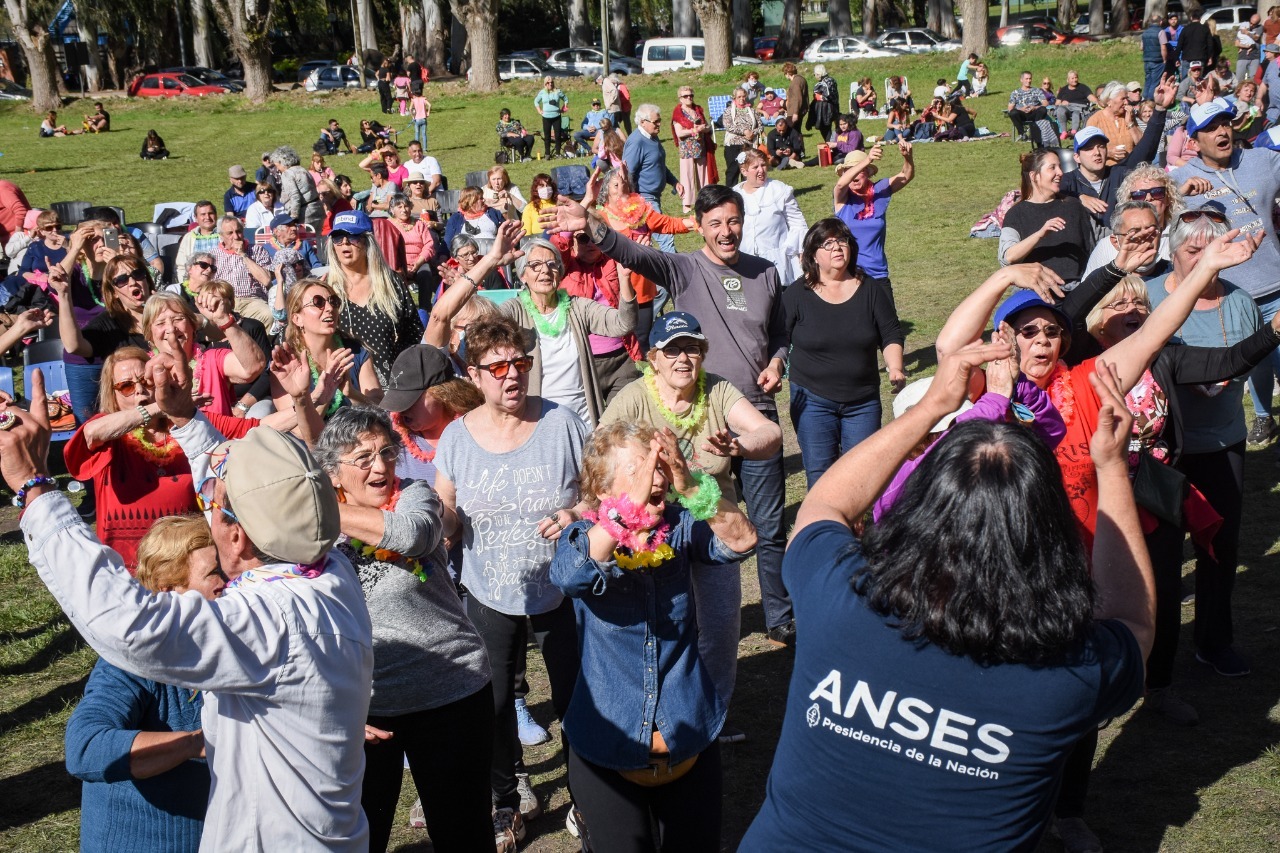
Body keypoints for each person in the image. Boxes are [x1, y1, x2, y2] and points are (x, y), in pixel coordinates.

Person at [737, 316, 1152, 851]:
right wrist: (1112, 468)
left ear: (922, 506)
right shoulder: (1066, 674)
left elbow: (824, 505)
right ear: (1047, 531)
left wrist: (933, 405)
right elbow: (1134, 622)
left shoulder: (840, 598)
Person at [9, 347, 374, 849]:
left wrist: (35, 488)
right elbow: (244, 487)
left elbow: (126, 621)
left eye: (215, 507)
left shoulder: (269, 622)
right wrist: (186, 419)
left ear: (238, 538)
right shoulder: (329, 570)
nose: (209, 508)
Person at [546, 184, 794, 647]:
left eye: (733, 221)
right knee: (698, 519)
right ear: (698, 226)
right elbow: (630, 251)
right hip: (698, 408)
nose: (726, 231)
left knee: (766, 522)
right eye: (715, 223)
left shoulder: (765, 272)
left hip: (748, 409)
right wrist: (593, 222)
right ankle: (687, 617)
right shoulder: (682, 267)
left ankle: (778, 614)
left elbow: (779, 331)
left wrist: (778, 361)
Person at [552, 419, 756, 852]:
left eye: (658, 465)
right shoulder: (580, 536)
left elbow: (743, 541)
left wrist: (693, 486)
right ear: (603, 489)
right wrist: (627, 514)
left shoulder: (681, 526)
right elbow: (570, 577)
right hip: (606, 746)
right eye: (639, 469)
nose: (655, 477)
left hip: (689, 741)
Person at [433, 315, 589, 846]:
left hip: (561, 587)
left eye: (520, 363)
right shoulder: (456, 436)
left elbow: (599, 492)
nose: (511, 375)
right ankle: (507, 798)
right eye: (497, 367)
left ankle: (586, 797)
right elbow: (448, 509)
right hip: (488, 589)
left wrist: (574, 516)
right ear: (474, 375)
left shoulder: (562, 423)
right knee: (494, 705)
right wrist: (441, 523)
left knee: (575, 699)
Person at [313, 407, 494, 853]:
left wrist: (322, 512)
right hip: (367, 709)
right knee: (361, 835)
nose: (381, 467)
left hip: (451, 690)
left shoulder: (415, 495)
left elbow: (412, 535)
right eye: (363, 457)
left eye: (387, 453)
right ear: (333, 472)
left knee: (462, 833)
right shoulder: (313, 533)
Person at [599, 312, 780, 714]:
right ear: (654, 358)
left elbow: (769, 433)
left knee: (718, 627)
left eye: (693, 348)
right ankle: (661, 713)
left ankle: (713, 713)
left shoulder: (717, 391)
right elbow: (600, 453)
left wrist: (741, 447)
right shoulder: (633, 398)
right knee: (661, 625)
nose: (683, 358)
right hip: (653, 530)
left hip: (713, 523)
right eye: (673, 349)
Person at [1147, 212, 1263, 678]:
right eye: (1191, 251)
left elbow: (1249, 357)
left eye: (1208, 251)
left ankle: (1214, 641)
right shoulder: (1151, 297)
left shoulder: (1240, 303)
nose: (1201, 261)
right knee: (1162, 556)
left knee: (1220, 547)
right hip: (1163, 449)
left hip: (1223, 441)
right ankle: (1154, 657)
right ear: (1172, 252)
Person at [64, 516, 222, 853]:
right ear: (169, 590)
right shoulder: (127, 663)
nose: (230, 582)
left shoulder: (233, 643)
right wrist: (198, 743)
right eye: (214, 573)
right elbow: (85, 747)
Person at [61, 345, 254, 568]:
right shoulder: (108, 431)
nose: (140, 390)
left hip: (187, 562)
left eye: (147, 381)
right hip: (126, 567)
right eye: (126, 386)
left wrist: (300, 400)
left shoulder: (188, 422)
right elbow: (91, 434)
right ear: (113, 396)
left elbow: (262, 428)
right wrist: (158, 407)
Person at [1171, 100, 1280, 449]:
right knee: (1254, 363)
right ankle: (1263, 416)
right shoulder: (1181, 179)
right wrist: (1177, 198)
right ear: (1194, 140)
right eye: (1210, 128)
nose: (1221, 132)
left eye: (1225, 124)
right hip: (1230, 294)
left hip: (1276, 282)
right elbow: (1146, 215)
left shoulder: (1261, 161)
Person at [786, 217, 905, 489]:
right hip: (812, 399)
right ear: (813, 255)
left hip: (862, 401)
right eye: (827, 243)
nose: (837, 247)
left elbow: (890, 332)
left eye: (842, 241)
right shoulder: (797, 294)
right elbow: (779, 337)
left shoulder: (871, 290)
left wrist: (895, 366)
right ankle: (822, 530)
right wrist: (772, 366)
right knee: (821, 477)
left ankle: (858, 531)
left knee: (863, 476)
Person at [499, 233, 635, 426]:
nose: (545, 270)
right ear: (523, 275)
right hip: (538, 423)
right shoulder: (514, 311)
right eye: (535, 265)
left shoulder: (577, 307)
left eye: (552, 264)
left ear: (559, 272)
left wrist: (624, 279)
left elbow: (624, 323)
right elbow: (481, 329)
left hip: (583, 421)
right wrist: (488, 265)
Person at [592, 167, 694, 347]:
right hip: (613, 290)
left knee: (642, 342)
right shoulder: (600, 217)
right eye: (615, 185)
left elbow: (668, 223)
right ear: (606, 189)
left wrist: (698, 222)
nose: (620, 189)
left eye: (624, 184)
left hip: (642, 290)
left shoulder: (640, 210)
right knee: (619, 343)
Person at [1058, 75, 1176, 224]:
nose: (1097, 152)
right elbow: (1045, 194)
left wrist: (1159, 109)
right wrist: (1078, 198)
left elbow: (1146, 148)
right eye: (1089, 148)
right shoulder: (1068, 181)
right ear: (1076, 157)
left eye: (1101, 146)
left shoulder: (1118, 175)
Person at [326, 210, 425, 384]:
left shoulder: (391, 282)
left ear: (367, 241)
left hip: (394, 385)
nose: (344, 243)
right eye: (338, 237)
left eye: (352, 236)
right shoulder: (326, 288)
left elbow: (414, 334)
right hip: (347, 388)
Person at [271, 278, 380, 421]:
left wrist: (352, 393)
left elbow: (380, 410)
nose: (330, 308)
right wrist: (326, 392)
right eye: (318, 302)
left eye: (333, 301)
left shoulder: (355, 351)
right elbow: (299, 431)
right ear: (297, 319)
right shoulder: (286, 363)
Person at [833, 141, 916, 303]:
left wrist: (908, 158)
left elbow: (906, 176)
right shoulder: (842, 198)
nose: (854, 176)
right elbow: (841, 183)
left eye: (860, 171)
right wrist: (866, 160)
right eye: (849, 171)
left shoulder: (879, 191)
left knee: (889, 324)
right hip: (850, 274)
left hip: (878, 272)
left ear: (869, 173)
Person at [999, 149, 1096, 288]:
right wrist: (1040, 234)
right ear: (1034, 176)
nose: (1060, 173)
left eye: (1060, 167)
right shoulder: (1016, 214)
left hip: (1076, 289)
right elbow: (1008, 257)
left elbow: (1093, 244)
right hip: (1035, 292)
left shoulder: (1072, 205)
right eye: (1052, 168)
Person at [52, 255, 150, 362]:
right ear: (114, 292)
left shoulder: (165, 309)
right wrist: (64, 294)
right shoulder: (108, 322)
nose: (132, 282)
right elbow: (73, 346)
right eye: (122, 280)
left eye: (138, 274)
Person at [735, 149, 807, 285]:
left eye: (763, 165)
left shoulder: (779, 190)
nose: (761, 170)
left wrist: (801, 248)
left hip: (776, 257)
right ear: (744, 171)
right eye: (755, 167)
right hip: (745, 256)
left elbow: (797, 222)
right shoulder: (735, 194)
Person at [623, 102, 684, 254]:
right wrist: (632, 199)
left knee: (647, 239)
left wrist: (674, 181)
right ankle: (673, 270)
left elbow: (658, 164)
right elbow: (626, 172)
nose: (659, 124)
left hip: (653, 196)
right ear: (642, 122)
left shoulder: (653, 138)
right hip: (644, 197)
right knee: (664, 234)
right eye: (655, 121)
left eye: (659, 120)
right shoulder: (636, 142)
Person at [211, 214, 273, 326]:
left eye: (238, 231)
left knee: (268, 315)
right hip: (224, 302)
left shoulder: (257, 250)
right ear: (221, 236)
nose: (236, 236)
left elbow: (266, 280)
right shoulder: (213, 255)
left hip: (252, 301)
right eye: (230, 233)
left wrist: (243, 255)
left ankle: (259, 344)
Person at [671, 86, 713, 215]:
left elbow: (706, 126)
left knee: (703, 174)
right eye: (685, 96)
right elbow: (679, 133)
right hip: (687, 147)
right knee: (687, 175)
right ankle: (687, 203)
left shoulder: (697, 110)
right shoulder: (678, 113)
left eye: (691, 95)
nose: (689, 98)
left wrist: (704, 128)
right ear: (680, 98)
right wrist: (694, 130)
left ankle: (704, 199)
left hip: (700, 145)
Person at [1086, 81, 1144, 166]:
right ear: (1109, 101)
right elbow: (1087, 150)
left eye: (1126, 98)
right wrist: (1109, 153)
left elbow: (1142, 144)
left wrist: (1130, 123)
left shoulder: (1128, 116)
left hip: (1130, 169)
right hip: (1106, 171)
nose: (1126, 102)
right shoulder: (1095, 120)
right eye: (1122, 99)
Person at [273, 146, 324, 233]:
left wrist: (293, 218)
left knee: (306, 241)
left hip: (305, 214)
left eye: (277, 165)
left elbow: (295, 197)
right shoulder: (303, 170)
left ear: (282, 162)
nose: (277, 169)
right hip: (317, 209)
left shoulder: (287, 174)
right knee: (317, 241)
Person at [174, 201, 220, 283]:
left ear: (216, 215)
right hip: (195, 285)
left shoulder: (225, 234)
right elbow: (181, 266)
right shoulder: (188, 238)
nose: (207, 217)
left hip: (220, 283)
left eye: (211, 213)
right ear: (196, 218)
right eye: (203, 214)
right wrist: (186, 285)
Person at [1008, 71, 1054, 147]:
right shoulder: (1015, 93)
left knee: (1043, 109)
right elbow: (1010, 108)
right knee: (1013, 112)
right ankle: (1022, 134)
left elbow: (1045, 103)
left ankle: (1035, 132)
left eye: (1030, 79)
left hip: (1034, 113)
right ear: (1021, 80)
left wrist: (1034, 107)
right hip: (1022, 114)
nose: (1029, 81)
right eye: (1026, 79)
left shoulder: (1037, 91)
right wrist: (1021, 109)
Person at [1055, 70, 1100, 138]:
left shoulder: (1083, 88)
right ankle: (1063, 132)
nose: (1075, 80)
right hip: (1067, 109)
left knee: (1076, 113)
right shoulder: (1063, 90)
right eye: (1072, 78)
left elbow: (1093, 99)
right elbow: (1057, 104)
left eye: (1076, 78)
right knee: (1060, 110)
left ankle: (1074, 132)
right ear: (1068, 80)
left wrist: (1100, 104)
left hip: (1079, 109)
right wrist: (1061, 103)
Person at [534, 76, 568, 158]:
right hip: (546, 117)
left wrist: (564, 107)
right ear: (545, 84)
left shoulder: (558, 91)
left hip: (556, 116)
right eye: (548, 83)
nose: (550, 84)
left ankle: (558, 153)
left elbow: (566, 99)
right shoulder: (542, 92)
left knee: (557, 135)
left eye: (552, 82)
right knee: (547, 135)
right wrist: (539, 110)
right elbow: (536, 101)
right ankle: (547, 154)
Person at [809, 64, 838, 142]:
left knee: (825, 129)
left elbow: (825, 96)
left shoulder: (823, 83)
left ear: (819, 74)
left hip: (826, 109)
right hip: (834, 107)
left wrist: (818, 97)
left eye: (815, 74)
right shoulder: (832, 80)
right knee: (829, 128)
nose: (815, 76)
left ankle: (830, 146)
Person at [1143, 13, 1168, 98]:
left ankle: (1144, 99)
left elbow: (1141, 47)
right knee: (1155, 82)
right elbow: (1163, 47)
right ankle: (1150, 101)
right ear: (1160, 22)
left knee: (1147, 81)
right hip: (1157, 61)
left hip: (1147, 60)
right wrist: (1164, 60)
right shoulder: (1161, 32)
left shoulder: (1145, 32)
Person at [1236, 14, 1263, 86]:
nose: (1251, 25)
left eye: (1254, 24)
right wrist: (1246, 46)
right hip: (1243, 56)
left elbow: (1256, 38)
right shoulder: (1243, 27)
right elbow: (1237, 43)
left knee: (1254, 78)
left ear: (1258, 23)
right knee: (1239, 78)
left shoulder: (1260, 28)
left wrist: (1247, 33)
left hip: (1255, 56)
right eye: (1251, 23)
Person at [784, 63, 809, 128]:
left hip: (794, 111)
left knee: (787, 129)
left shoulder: (795, 82)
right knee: (796, 131)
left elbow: (797, 98)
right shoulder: (801, 79)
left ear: (788, 73)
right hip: (801, 109)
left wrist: (795, 113)